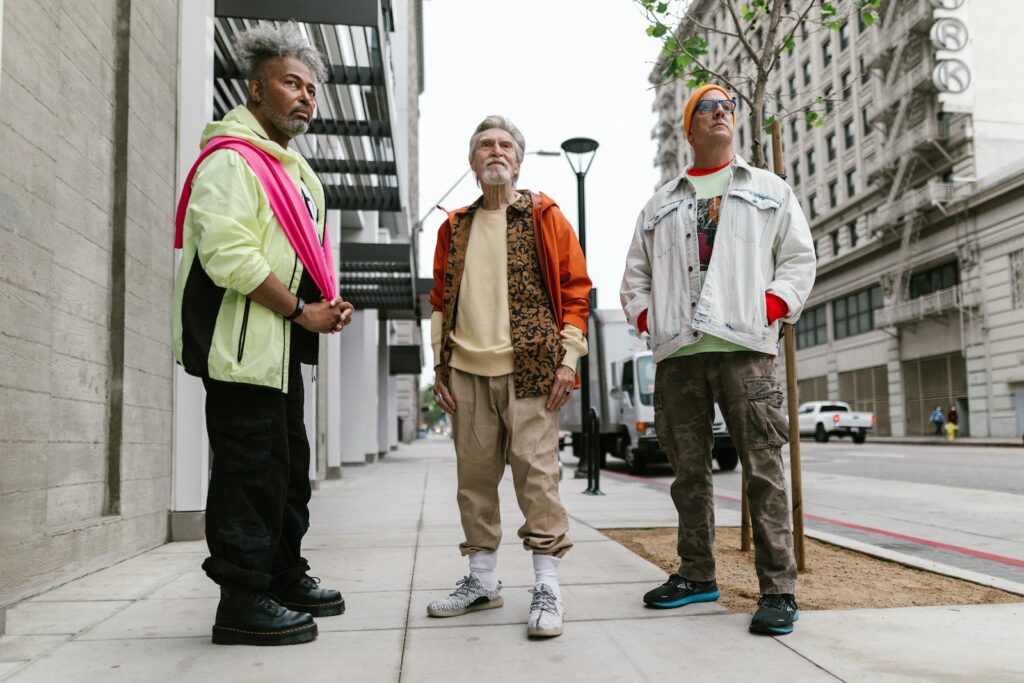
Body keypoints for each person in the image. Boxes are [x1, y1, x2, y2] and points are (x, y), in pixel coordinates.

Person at [172, 23, 353, 646]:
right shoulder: (232, 160)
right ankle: (241, 601)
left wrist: (320, 305)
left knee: (286, 472)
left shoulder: (289, 167)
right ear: (255, 89)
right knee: (248, 473)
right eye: (289, 83)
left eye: (310, 87)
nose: (304, 96)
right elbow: (232, 257)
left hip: (277, 352)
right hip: (242, 350)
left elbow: (294, 256)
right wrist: (300, 311)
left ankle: (280, 573)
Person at [620, 84, 816, 636]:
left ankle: (778, 590)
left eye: (729, 106)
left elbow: (798, 258)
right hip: (679, 353)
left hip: (746, 351)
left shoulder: (770, 189)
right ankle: (696, 573)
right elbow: (635, 275)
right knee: (688, 475)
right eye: (708, 107)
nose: (722, 113)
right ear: (689, 128)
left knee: (764, 471)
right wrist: (647, 320)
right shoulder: (659, 202)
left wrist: (770, 305)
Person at [426, 115, 592, 638]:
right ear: (473, 162)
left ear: (518, 160)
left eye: (504, 145)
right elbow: (438, 302)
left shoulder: (544, 216)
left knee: (537, 479)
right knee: (473, 483)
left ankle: (547, 585)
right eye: (484, 145)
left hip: (535, 373)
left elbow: (576, 291)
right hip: (467, 374)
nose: (495, 151)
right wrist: (439, 365)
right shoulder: (454, 226)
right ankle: (483, 581)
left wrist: (569, 358)